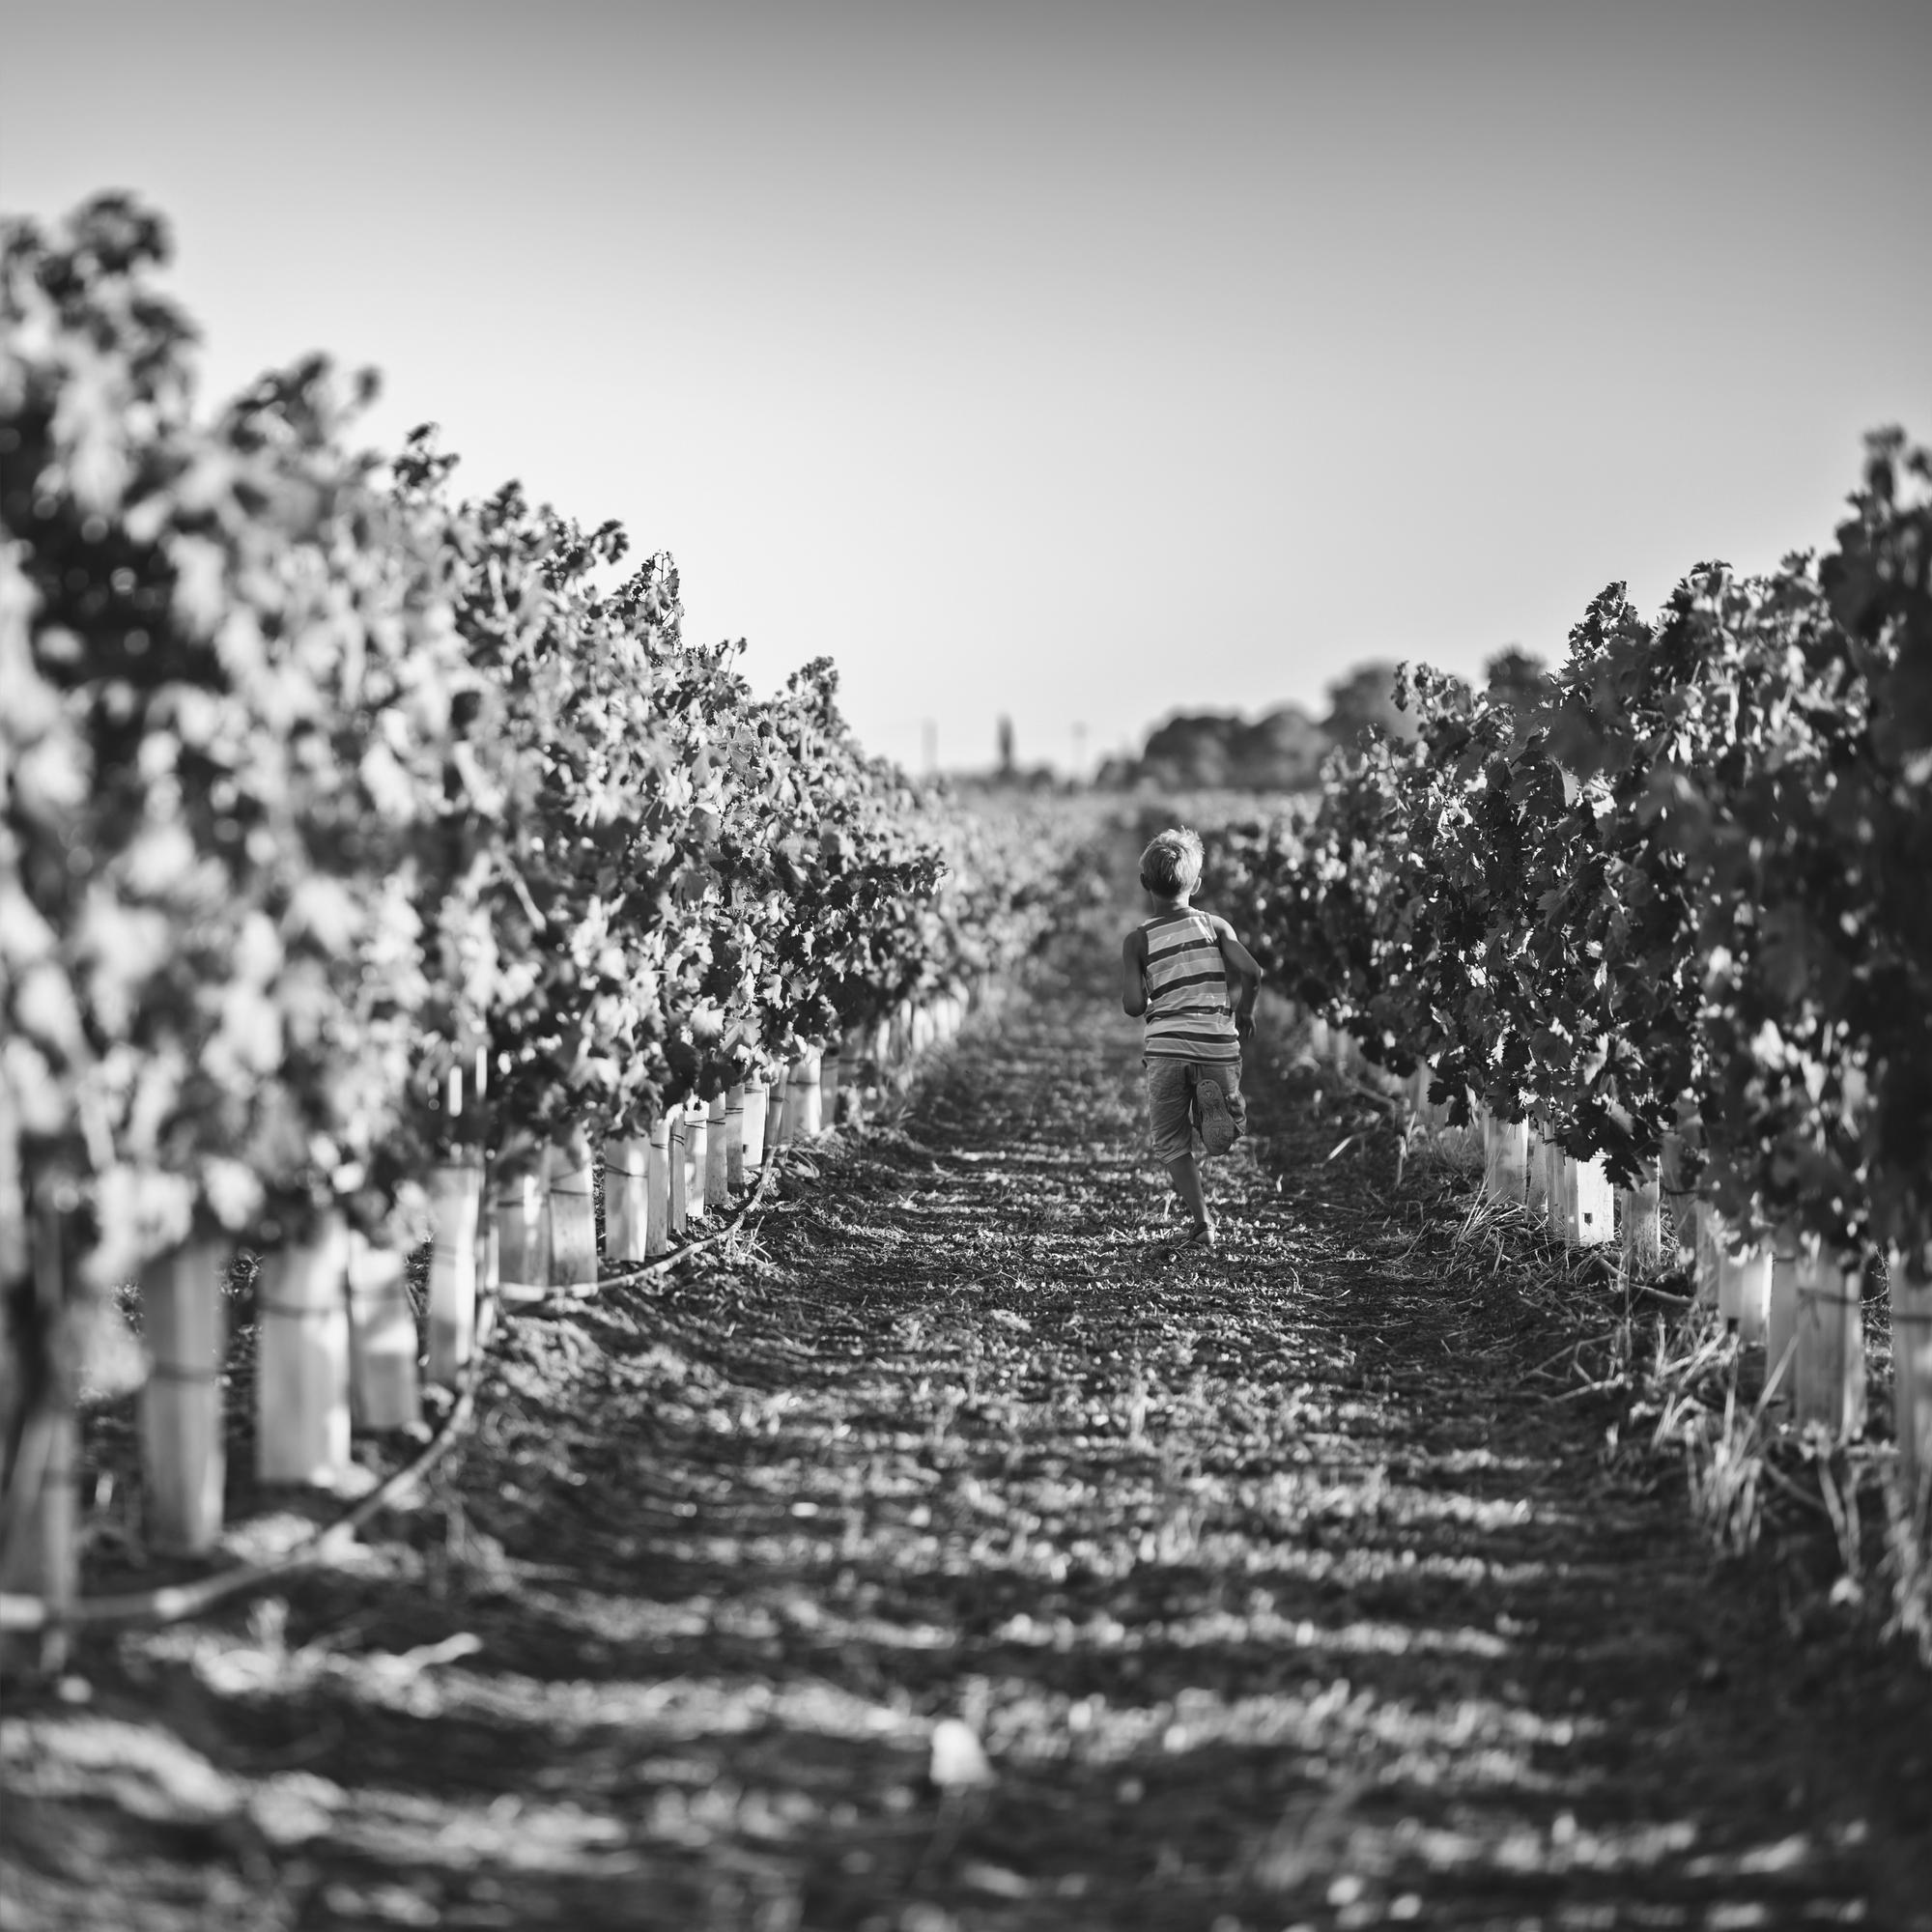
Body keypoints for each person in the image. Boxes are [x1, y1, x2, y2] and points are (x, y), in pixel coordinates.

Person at [1121, 827, 1263, 1251]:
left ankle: (1202, 1224)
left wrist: (1144, 984)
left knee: (1170, 1142)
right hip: (1216, 1044)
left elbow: (1132, 1004)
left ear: (1145, 883)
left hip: (1165, 1048)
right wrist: (1246, 1010)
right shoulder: (1216, 926)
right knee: (1229, 1113)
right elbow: (1253, 972)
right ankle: (1220, 1115)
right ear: (1196, 885)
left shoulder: (1138, 940)